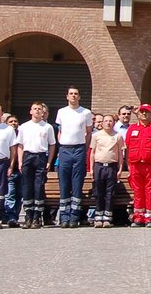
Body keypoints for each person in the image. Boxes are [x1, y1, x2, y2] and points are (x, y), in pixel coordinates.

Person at [54, 87, 93, 228]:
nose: (74, 96)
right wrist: (61, 146)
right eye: (71, 94)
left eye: (76, 94)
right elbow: (60, 131)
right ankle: (64, 217)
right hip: (65, 149)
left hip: (79, 149)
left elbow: (88, 132)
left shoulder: (86, 113)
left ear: (79, 97)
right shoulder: (61, 112)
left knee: (77, 183)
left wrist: (84, 147)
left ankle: (74, 217)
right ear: (67, 96)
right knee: (64, 182)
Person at [17, 102, 57, 228]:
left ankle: (36, 217)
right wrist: (20, 161)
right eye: (35, 109)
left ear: (43, 112)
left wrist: (49, 161)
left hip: (40, 157)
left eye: (39, 109)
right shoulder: (24, 126)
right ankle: (28, 216)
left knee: (38, 187)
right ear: (31, 111)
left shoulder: (47, 127)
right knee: (27, 187)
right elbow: (20, 145)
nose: (37, 111)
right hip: (28, 156)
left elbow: (52, 145)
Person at [124, 104, 151, 227]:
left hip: (150, 165)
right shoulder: (131, 129)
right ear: (138, 114)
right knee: (137, 191)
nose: (144, 114)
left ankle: (150, 217)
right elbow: (127, 148)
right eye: (142, 112)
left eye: (146, 112)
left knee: (149, 191)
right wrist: (129, 165)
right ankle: (138, 216)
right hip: (135, 164)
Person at [90, 114, 125, 227]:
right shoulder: (96, 136)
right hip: (99, 166)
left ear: (113, 123)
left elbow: (120, 154)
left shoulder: (118, 136)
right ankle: (98, 217)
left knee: (110, 193)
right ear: (102, 123)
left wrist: (120, 169)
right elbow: (92, 153)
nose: (108, 123)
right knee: (98, 192)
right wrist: (91, 169)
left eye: (110, 121)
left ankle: (107, 218)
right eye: (106, 121)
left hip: (111, 167)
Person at [3, 116, 23, 226]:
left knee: (20, 195)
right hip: (10, 170)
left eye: (15, 121)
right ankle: (9, 216)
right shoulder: (5, 135)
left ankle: (14, 216)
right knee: (10, 194)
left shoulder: (21, 135)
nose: (13, 123)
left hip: (20, 171)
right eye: (10, 121)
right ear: (6, 124)